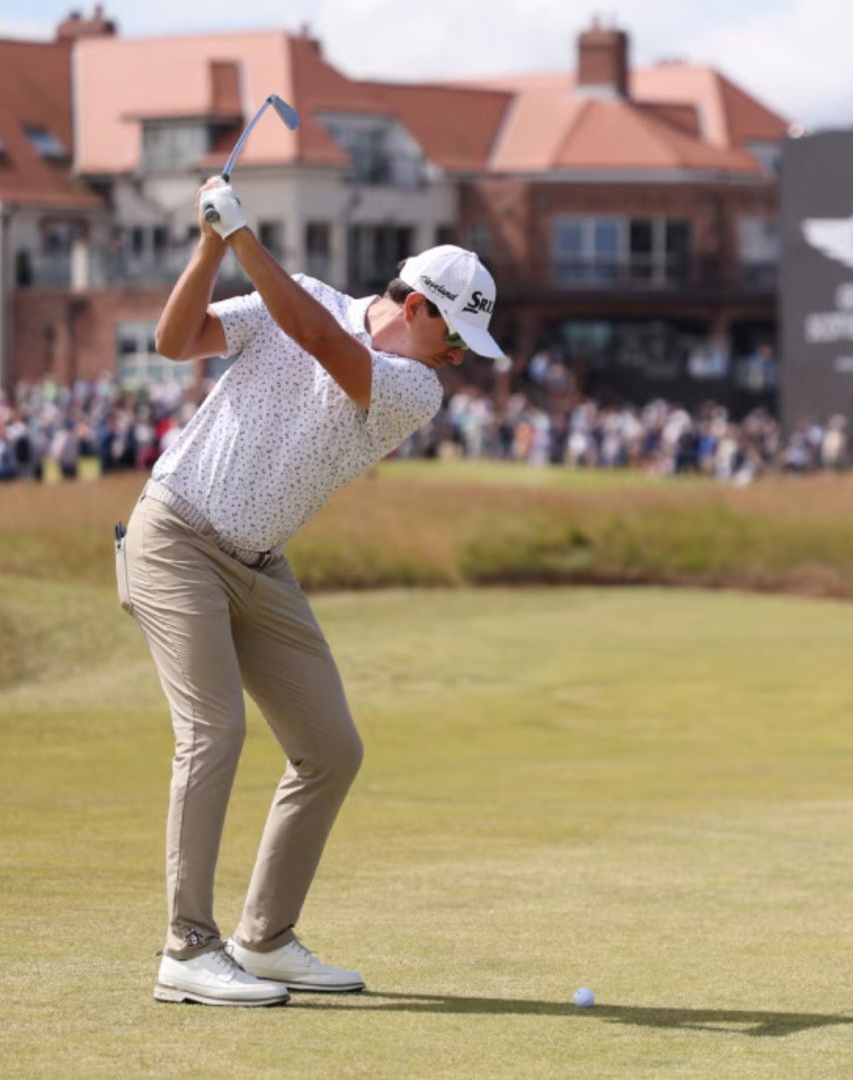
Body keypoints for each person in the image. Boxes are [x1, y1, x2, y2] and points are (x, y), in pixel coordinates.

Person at [121, 176, 506, 1007]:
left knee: (331, 747)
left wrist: (247, 239)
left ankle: (264, 938)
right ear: (420, 309)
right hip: (176, 538)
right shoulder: (305, 299)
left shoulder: (415, 388)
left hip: (261, 564)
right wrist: (211, 247)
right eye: (457, 337)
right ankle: (187, 948)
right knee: (213, 732)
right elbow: (174, 339)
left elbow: (326, 346)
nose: (460, 357)